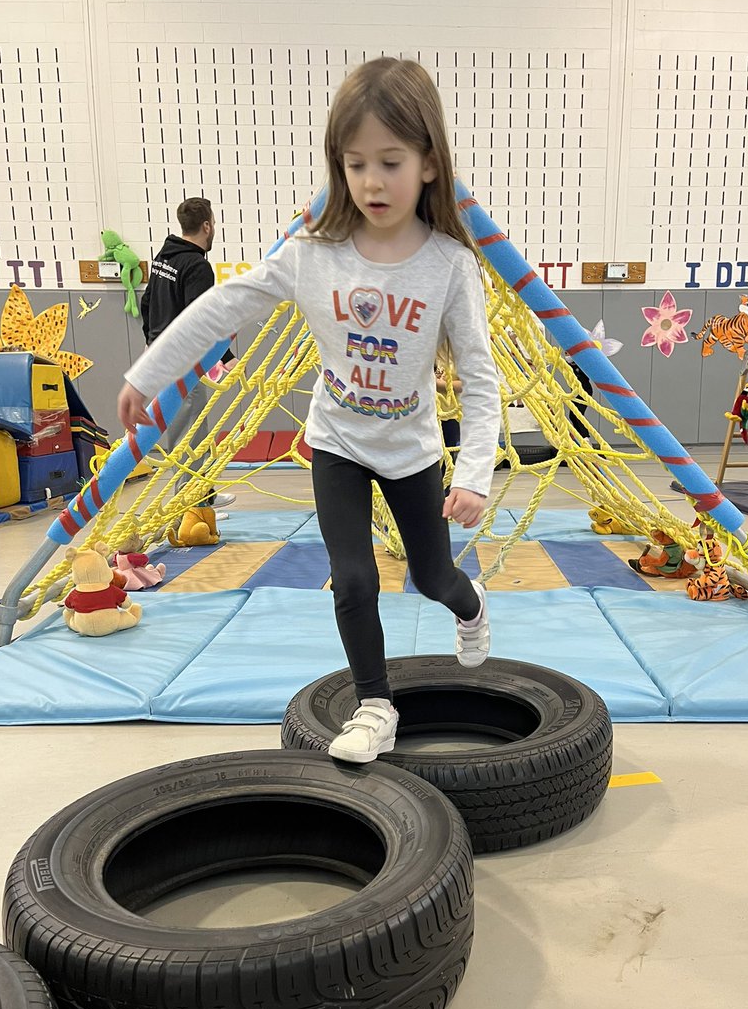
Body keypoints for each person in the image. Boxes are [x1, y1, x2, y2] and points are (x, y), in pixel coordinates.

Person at [119, 57, 500, 763]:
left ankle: (471, 605)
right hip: (337, 443)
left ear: (428, 164)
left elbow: (480, 379)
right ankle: (375, 706)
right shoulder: (312, 253)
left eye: (390, 162)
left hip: (412, 450)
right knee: (352, 578)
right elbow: (226, 306)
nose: (372, 181)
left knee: (431, 577)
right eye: (356, 164)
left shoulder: (449, 264)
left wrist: (474, 473)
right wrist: (150, 370)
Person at [140, 196, 236, 505]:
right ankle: (191, 503)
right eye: (214, 224)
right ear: (206, 226)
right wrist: (226, 357)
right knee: (190, 429)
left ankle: (202, 494)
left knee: (187, 425)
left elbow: (146, 301)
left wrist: (150, 338)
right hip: (181, 357)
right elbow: (200, 317)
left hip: (161, 353)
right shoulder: (196, 265)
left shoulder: (164, 257)